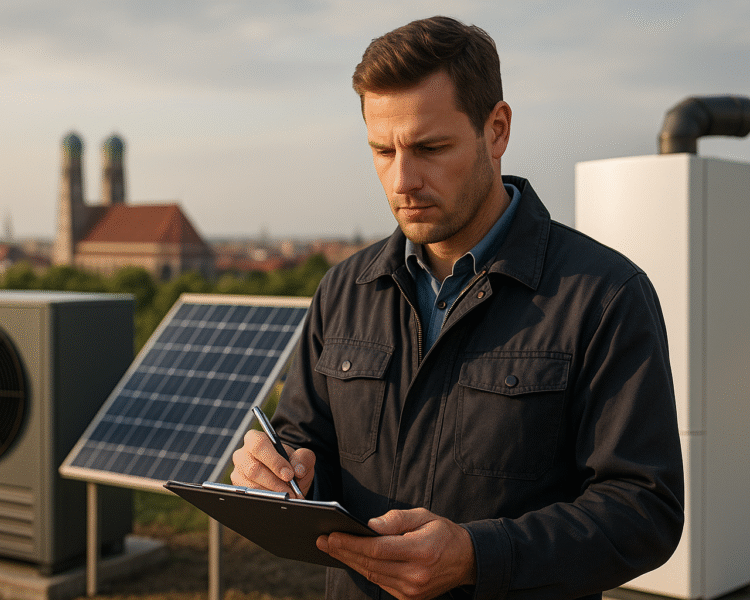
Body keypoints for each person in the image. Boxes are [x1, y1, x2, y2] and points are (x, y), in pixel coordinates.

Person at [231, 15, 684, 600]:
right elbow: (303, 439)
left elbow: (644, 510)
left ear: (496, 131)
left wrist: (478, 556)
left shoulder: (603, 296)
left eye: (429, 147)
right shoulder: (344, 290)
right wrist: (276, 470)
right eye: (381, 149)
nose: (402, 180)